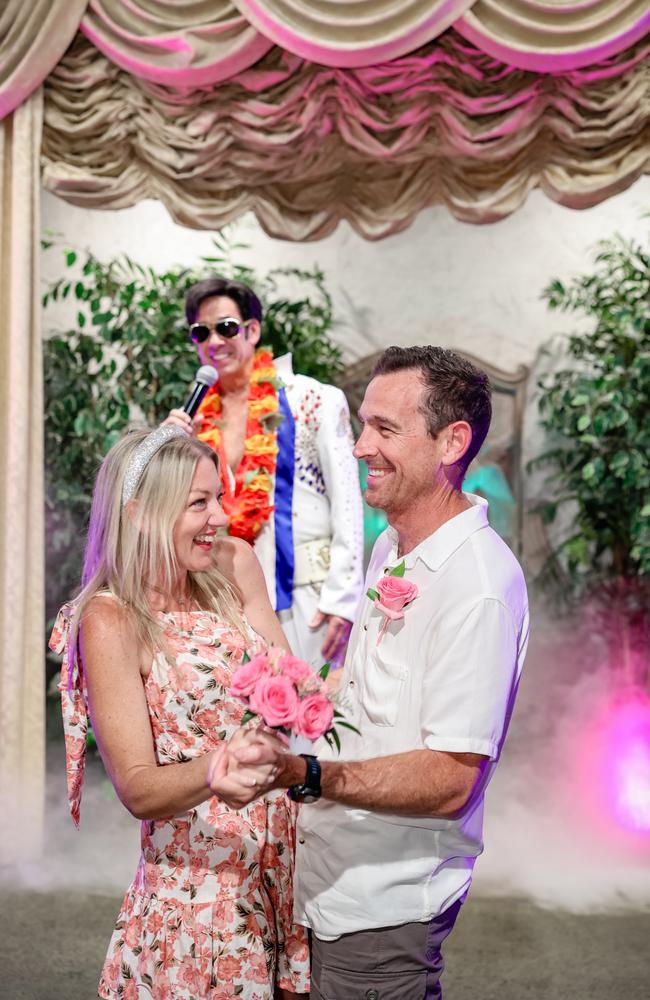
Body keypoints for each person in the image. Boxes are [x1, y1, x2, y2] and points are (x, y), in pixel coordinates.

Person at [212, 346, 530, 999]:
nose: (358, 447)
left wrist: (305, 775)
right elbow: (368, 693)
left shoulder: (478, 585)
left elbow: (450, 780)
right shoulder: (393, 543)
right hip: (330, 877)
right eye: (363, 425)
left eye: (385, 429)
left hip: (385, 906)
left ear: (452, 441)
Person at [49, 426, 310, 1000]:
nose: (220, 515)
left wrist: (324, 694)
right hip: (203, 894)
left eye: (218, 496)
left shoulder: (234, 563)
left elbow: (290, 684)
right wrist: (221, 764)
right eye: (199, 502)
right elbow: (139, 789)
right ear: (140, 514)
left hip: (287, 860)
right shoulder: (111, 619)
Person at [163, 276, 364, 670]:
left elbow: (347, 501)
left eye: (226, 328)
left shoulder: (313, 398)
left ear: (252, 330)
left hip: (309, 597)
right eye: (201, 333)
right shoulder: (196, 419)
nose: (214, 342)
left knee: (309, 717)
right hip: (225, 596)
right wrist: (168, 448)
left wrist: (343, 600)